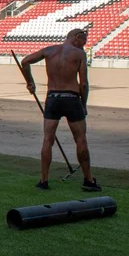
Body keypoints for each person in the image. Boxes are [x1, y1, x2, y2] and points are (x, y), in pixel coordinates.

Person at [19, 28, 99, 191]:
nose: (83, 47)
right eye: (83, 43)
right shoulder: (79, 55)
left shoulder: (49, 50)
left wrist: (30, 81)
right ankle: (89, 180)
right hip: (71, 98)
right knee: (81, 139)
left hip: (53, 98)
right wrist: (84, 104)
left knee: (48, 139)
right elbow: (83, 83)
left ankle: (44, 180)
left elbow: (25, 61)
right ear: (77, 38)